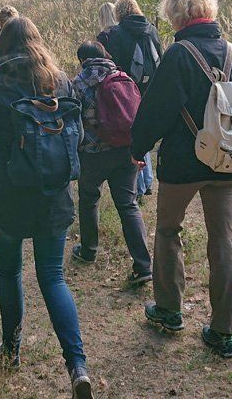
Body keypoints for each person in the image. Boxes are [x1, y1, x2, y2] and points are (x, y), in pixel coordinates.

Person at [0, 17, 94, 399]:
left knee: (10, 272)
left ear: (2, 45)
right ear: (39, 42)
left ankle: (11, 351)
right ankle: (77, 366)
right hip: (54, 195)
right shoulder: (60, 82)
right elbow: (80, 135)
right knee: (54, 277)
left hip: (9, 194)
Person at [131, 0, 232, 358]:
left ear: (176, 16)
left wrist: (138, 148)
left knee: (167, 232)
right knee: (223, 240)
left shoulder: (179, 54)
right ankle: (224, 332)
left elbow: (157, 110)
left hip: (183, 162)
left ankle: (169, 311)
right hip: (226, 159)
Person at [70, 41, 152, 286]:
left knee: (88, 199)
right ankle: (143, 265)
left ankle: (88, 250)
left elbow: (74, 122)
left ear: (82, 60)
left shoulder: (78, 83)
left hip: (93, 154)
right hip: (126, 151)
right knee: (128, 205)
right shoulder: (123, 77)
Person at [101, 0, 162, 200]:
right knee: (142, 131)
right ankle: (147, 181)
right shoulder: (152, 29)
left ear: (119, 13)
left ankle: (137, 186)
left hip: (126, 91)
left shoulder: (116, 33)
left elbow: (113, 64)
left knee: (130, 135)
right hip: (151, 90)